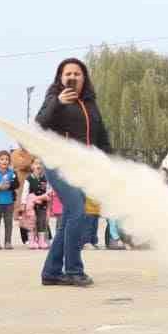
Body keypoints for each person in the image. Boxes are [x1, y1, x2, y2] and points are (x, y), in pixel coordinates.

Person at [37, 57, 111, 288]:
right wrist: (58, 102)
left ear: (84, 78)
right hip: (58, 164)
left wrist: (113, 162)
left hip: (83, 168)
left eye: (77, 74)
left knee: (72, 215)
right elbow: (39, 124)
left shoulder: (91, 105)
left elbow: (101, 137)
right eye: (67, 74)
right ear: (60, 78)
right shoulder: (53, 99)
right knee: (77, 210)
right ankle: (73, 270)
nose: (72, 77)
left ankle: (51, 272)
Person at [0, 151, 15, 250]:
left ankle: (8, 242)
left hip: (9, 202)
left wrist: (10, 185)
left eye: (7, 159)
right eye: (2, 159)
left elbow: (16, 184)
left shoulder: (12, 173)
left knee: (8, 223)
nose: (4, 161)